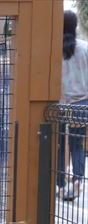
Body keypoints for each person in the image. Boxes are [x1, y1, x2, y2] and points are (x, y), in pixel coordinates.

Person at [57, 10, 88, 201]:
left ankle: (60, 186)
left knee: (60, 146)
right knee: (78, 145)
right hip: (83, 103)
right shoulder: (85, 48)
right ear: (75, 26)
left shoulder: (54, 49)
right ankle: (77, 182)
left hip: (59, 105)